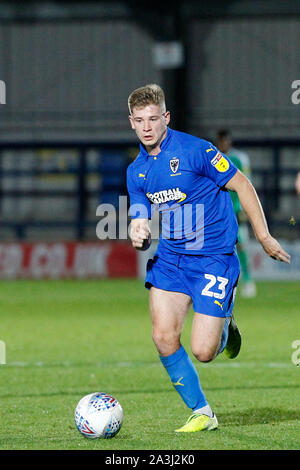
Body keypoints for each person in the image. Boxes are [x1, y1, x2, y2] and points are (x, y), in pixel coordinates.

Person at [126, 84, 290, 433]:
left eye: (153, 118)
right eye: (140, 120)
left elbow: (242, 185)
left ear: (165, 118)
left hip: (213, 258)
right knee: (163, 336)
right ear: (131, 122)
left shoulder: (197, 150)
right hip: (170, 260)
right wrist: (137, 233)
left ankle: (226, 330)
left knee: (203, 350)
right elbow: (139, 218)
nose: (147, 127)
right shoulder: (136, 172)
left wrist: (263, 237)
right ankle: (202, 411)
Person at [216, 129, 257, 298]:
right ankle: (227, 283)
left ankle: (248, 281)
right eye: (221, 141)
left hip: (237, 212)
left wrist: (244, 209)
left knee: (240, 246)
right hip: (219, 213)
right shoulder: (213, 158)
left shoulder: (239, 159)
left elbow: (247, 184)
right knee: (221, 249)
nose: (224, 144)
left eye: (226, 141)